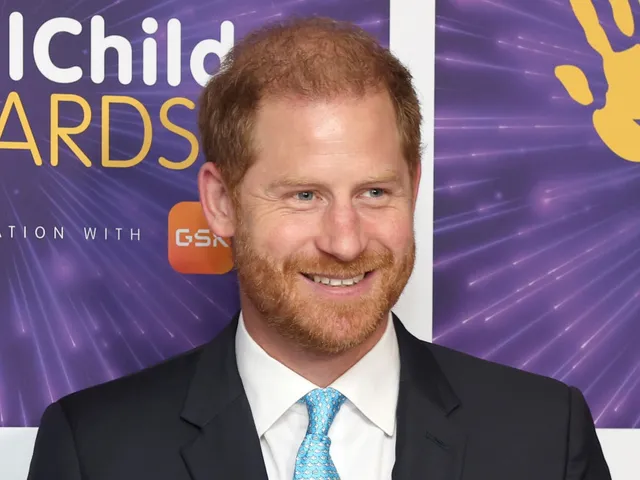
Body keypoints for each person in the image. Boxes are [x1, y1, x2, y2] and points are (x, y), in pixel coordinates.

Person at [27, 16, 611, 480]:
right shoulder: (95, 451)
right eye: (304, 195)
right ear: (221, 202)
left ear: (414, 187)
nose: (345, 240)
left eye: (375, 192)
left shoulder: (544, 438)